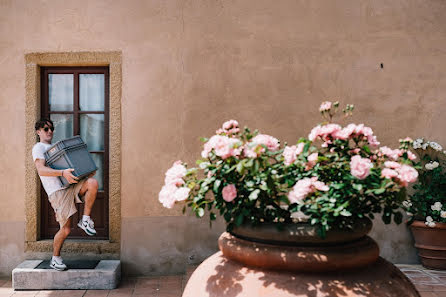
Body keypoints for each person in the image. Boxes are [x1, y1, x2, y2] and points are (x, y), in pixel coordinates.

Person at [32, 118, 99, 271]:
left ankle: (85, 220)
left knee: (92, 183)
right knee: (66, 229)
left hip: (70, 185)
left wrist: (87, 169)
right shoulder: (38, 148)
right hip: (57, 192)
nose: (49, 131)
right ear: (38, 132)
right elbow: (41, 170)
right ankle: (55, 258)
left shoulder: (56, 148)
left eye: (51, 128)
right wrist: (62, 172)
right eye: (45, 129)